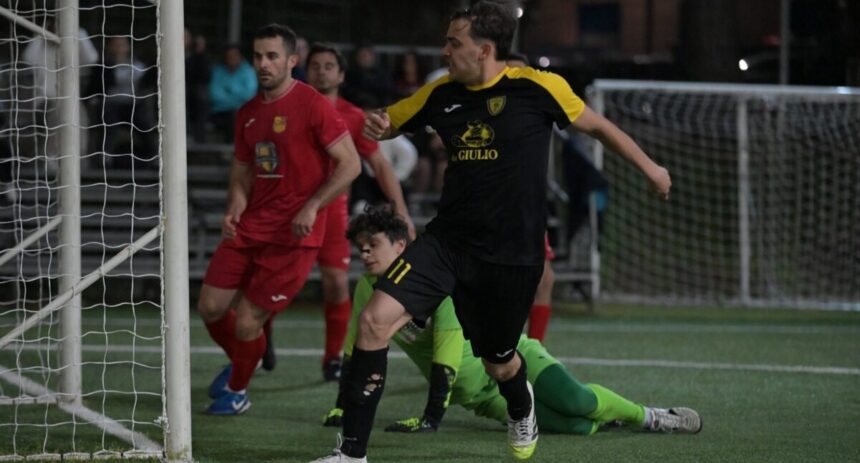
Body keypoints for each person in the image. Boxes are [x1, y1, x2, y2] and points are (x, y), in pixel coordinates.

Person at [312, 2, 671, 462]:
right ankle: (351, 455)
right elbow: (388, 120)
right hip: (447, 243)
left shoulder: (538, 88)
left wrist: (651, 168)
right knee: (374, 320)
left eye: (454, 42)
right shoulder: (440, 94)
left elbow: (599, 127)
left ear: (483, 50)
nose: (444, 51)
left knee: (499, 362)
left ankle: (522, 409)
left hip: (510, 256)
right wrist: (378, 123)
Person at [322, 206, 701, 437]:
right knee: (577, 427)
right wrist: (344, 406)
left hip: (512, 359)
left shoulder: (434, 278)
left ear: (401, 247)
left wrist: (431, 418)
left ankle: (652, 417)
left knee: (577, 399)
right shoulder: (368, 292)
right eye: (361, 248)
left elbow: (447, 357)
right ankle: (608, 415)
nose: (366, 253)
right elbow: (357, 349)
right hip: (484, 398)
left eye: (374, 244)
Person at [196, 23, 360, 416]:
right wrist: (235, 202)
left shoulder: (314, 104)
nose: (264, 64)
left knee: (249, 320)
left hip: (294, 234)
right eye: (258, 56)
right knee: (210, 307)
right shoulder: (248, 113)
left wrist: (312, 205)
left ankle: (238, 389)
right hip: (250, 225)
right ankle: (244, 358)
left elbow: (351, 164)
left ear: (291, 60)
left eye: (272, 56)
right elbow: (241, 171)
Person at [261, 42, 415, 381]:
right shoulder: (285, 108)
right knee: (275, 281)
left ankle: (332, 358)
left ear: (342, 74)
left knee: (335, 283)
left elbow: (380, 164)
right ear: (304, 69)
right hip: (291, 209)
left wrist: (400, 208)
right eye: (316, 65)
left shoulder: (352, 115)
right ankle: (262, 334)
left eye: (329, 65)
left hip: (333, 212)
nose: (322, 70)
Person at [209, 44, 258, 143]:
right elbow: (214, 95)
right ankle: (230, 150)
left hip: (243, 111)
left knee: (237, 116)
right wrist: (237, 99)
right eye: (229, 57)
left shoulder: (248, 71)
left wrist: (230, 90)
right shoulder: (218, 71)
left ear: (240, 57)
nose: (231, 59)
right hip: (221, 111)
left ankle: (232, 150)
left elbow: (249, 95)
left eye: (234, 56)